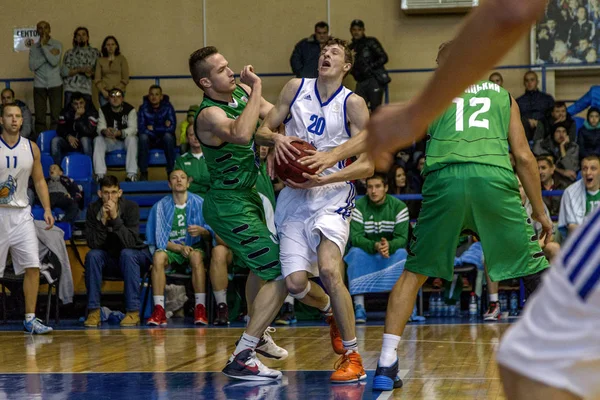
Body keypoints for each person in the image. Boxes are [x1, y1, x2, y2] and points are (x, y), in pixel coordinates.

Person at [367, 35, 552, 394]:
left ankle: (386, 363)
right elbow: (526, 158)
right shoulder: (503, 97)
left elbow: (397, 133)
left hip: (444, 182)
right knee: (535, 270)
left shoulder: (434, 97)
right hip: (493, 180)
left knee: (412, 275)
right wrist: (541, 213)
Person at [257, 37, 373, 383]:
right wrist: (276, 140)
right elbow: (262, 130)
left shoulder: (353, 104)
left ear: (346, 67)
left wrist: (323, 175)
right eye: (324, 51)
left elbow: (367, 166)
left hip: (333, 193)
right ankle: (331, 311)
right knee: (294, 284)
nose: (326, 54)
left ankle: (353, 357)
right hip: (294, 196)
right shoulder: (295, 89)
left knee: (327, 269)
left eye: (335, 53)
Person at [189, 46, 289, 381]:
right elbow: (242, 133)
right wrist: (257, 88)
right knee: (278, 269)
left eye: (228, 65)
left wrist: (277, 138)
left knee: (259, 269)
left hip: (250, 194)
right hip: (228, 203)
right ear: (205, 82)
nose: (230, 72)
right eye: (221, 70)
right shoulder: (207, 115)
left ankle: (258, 335)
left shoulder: (240, 93)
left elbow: (275, 115)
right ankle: (243, 354)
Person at [0, 102, 54, 334]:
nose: (14, 120)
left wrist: (48, 209)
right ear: (1, 120)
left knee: (33, 266)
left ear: (23, 121)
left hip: (22, 214)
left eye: (18, 116)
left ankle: (30, 319)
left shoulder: (31, 148)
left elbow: (40, 181)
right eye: (10, 116)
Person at [145, 169, 213, 326]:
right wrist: (178, 248)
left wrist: (203, 231)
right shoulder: (160, 207)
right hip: (172, 250)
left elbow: (211, 234)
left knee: (196, 256)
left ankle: (200, 308)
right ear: (169, 184)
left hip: (194, 248)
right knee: (158, 256)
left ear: (188, 182)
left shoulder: (200, 203)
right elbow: (159, 239)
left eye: (182, 177)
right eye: (174, 178)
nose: (179, 180)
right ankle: (159, 309)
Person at [83, 175, 152, 327]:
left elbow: (130, 243)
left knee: (127, 254)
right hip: (110, 258)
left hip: (134, 258)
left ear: (120, 193)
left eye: (113, 192)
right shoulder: (93, 209)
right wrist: (102, 222)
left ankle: (133, 311)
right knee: (93, 256)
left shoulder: (131, 207)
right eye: (106, 192)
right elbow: (93, 244)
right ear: (100, 194)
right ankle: (94, 311)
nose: (110, 197)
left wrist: (114, 218)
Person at [345, 173, 409, 324]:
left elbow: (402, 238)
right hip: (368, 251)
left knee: (402, 253)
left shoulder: (399, 207)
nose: (373, 191)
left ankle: (401, 308)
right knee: (354, 253)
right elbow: (356, 238)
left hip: (390, 252)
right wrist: (375, 246)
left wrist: (389, 246)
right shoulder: (358, 207)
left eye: (378, 186)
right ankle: (359, 306)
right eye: (370, 187)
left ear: (386, 188)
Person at [94, 88, 138, 182]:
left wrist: (120, 132)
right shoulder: (103, 110)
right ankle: (100, 175)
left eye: (118, 96)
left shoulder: (130, 109)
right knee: (98, 139)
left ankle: (131, 174)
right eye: (112, 96)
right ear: (108, 98)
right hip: (111, 141)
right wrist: (105, 131)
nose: (115, 99)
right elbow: (100, 127)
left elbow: (133, 129)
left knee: (132, 139)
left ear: (122, 98)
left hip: (125, 141)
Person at [29, 21, 63, 136]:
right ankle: (41, 142)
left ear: (50, 30)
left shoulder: (57, 44)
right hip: (39, 85)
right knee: (40, 117)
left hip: (55, 84)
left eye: (45, 27)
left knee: (56, 115)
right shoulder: (33, 48)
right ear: (37, 31)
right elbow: (32, 66)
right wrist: (47, 53)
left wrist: (43, 47)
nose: (43, 30)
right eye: (40, 28)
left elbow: (54, 62)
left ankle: (54, 140)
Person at [349, 20, 390, 112]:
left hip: (373, 79)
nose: (356, 32)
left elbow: (384, 57)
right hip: (360, 81)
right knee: (358, 109)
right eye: (354, 29)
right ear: (351, 30)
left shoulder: (371, 42)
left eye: (359, 29)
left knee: (376, 109)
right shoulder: (351, 47)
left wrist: (370, 67)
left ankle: (376, 127)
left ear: (363, 30)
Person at [138, 85, 177, 180]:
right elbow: (141, 128)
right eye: (151, 94)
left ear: (161, 96)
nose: (154, 97)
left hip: (163, 140)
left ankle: (171, 172)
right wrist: (163, 127)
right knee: (143, 137)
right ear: (148, 96)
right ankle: (143, 172)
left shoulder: (168, 107)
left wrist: (154, 129)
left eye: (157, 94)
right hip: (149, 140)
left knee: (168, 137)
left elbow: (172, 128)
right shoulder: (143, 108)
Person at [51, 93, 98, 165]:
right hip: (70, 141)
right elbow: (60, 129)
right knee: (55, 141)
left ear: (85, 102)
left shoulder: (92, 111)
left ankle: (89, 170)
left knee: (85, 140)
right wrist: (68, 136)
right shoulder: (65, 111)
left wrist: (78, 118)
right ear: (72, 105)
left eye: (81, 103)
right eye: (76, 104)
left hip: (85, 141)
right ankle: (59, 170)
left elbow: (90, 131)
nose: (79, 106)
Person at [558, 155, 600, 236]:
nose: (588, 173)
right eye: (584, 169)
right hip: (580, 241)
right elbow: (572, 228)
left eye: (593, 168)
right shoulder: (570, 192)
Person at [60, 27, 100, 107]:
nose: (81, 37)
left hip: (86, 89)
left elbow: (98, 73)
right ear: (75, 38)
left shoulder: (95, 53)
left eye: (84, 34)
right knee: (69, 115)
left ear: (88, 37)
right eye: (78, 35)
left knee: (86, 116)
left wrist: (90, 73)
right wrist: (79, 70)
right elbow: (64, 72)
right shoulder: (69, 53)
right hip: (70, 89)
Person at [516, 71, 555, 140]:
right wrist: (528, 121)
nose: (529, 83)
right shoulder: (518, 101)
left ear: (537, 82)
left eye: (532, 80)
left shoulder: (547, 99)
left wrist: (538, 122)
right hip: (524, 129)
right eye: (527, 80)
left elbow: (552, 116)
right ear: (524, 83)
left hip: (543, 128)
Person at [174, 125, 210, 198]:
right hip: (189, 201)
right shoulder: (181, 161)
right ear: (187, 138)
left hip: (211, 201)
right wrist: (206, 183)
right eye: (191, 134)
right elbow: (179, 185)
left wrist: (192, 180)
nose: (195, 138)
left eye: (198, 134)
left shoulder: (212, 159)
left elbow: (217, 183)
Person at [94, 36, 129, 108]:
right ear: (104, 47)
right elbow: (97, 79)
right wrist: (103, 91)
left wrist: (116, 91)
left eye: (112, 44)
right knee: (106, 114)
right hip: (105, 93)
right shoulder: (100, 60)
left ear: (116, 46)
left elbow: (125, 78)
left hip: (119, 92)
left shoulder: (121, 59)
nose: (110, 47)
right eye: (108, 45)